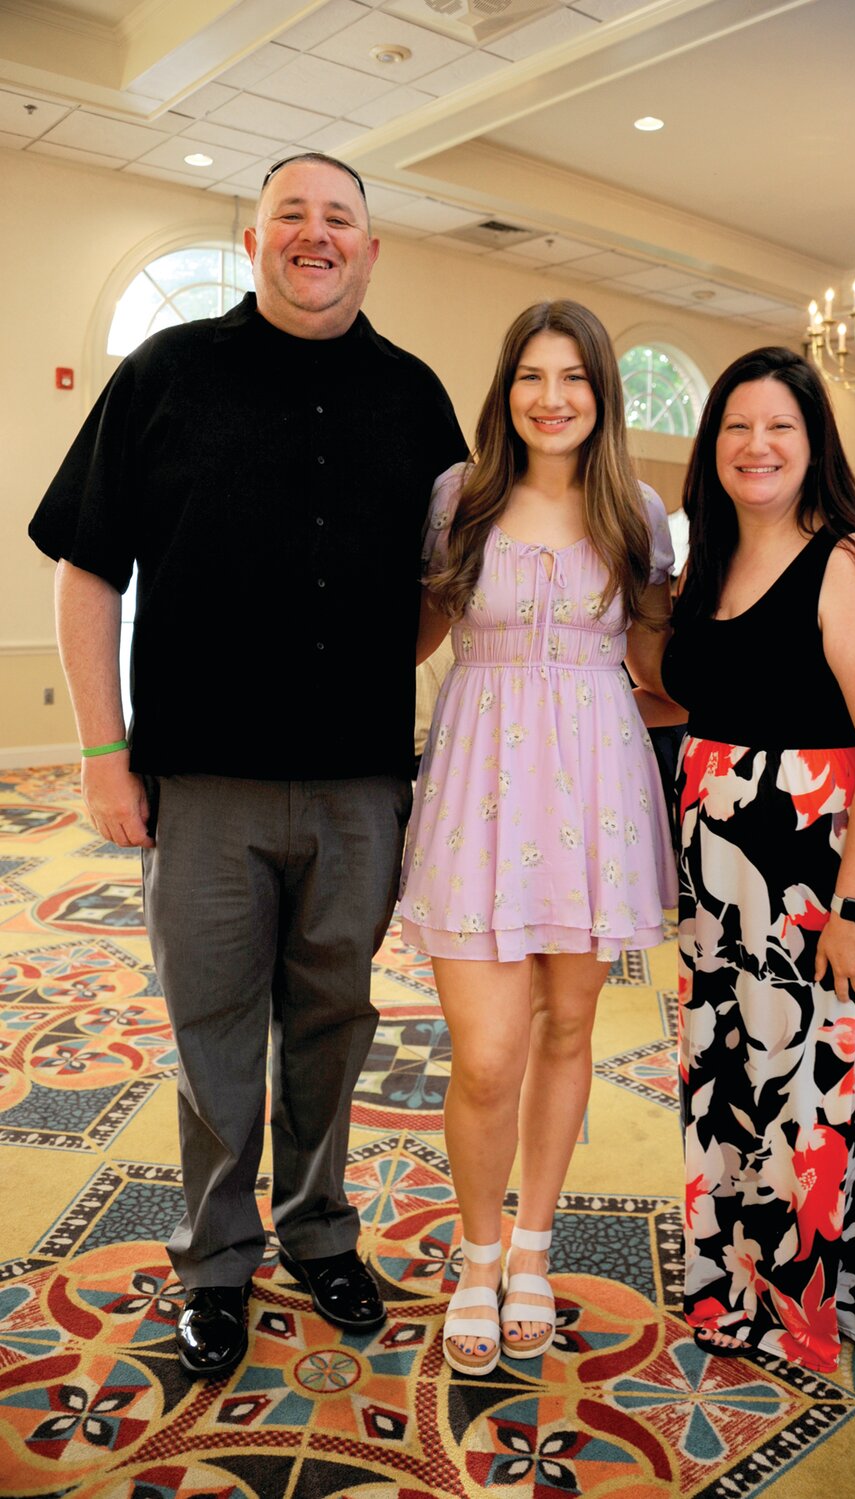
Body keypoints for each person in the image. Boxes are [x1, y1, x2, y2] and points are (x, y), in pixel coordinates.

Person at [28, 153, 465, 1378]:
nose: (315, 236)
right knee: (213, 1025)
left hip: (358, 786)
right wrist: (103, 755)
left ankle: (321, 1228)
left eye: (340, 220)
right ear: (253, 237)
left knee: (333, 1017)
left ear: (371, 250)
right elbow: (83, 569)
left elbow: (441, 587)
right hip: (204, 785)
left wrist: (385, 664)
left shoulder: (416, 398)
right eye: (293, 217)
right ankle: (216, 1260)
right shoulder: (167, 373)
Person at [397, 300, 677, 1375]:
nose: (550, 396)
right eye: (530, 375)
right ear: (505, 388)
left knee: (568, 1028)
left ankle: (529, 1247)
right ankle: (472, 1254)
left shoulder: (635, 510)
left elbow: (654, 661)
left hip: (593, 790)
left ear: (599, 395)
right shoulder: (454, 499)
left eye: (572, 377)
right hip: (479, 788)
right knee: (487, 1053)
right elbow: (412, 633)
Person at [661, 346, 855, 1372]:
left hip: (818, 877)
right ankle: (732, 1282)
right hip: (720, 881)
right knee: (731, 1078)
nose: (754, 444)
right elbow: (693, 697)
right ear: (711, 446)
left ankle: (806, 1303)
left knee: (810, 1094)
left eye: (777, 425)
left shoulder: (853, 559)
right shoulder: (708, 557)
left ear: (811, 441)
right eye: (734, 427)